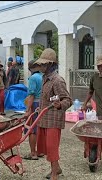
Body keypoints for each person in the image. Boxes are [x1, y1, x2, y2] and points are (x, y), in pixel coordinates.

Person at [34, 48, 72, 180]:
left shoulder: (57, 80)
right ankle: (56, 168)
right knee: (47, 147)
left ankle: (54, 175)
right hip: (44, 118)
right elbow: (46, 98)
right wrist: (39, 108)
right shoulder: (45, 78)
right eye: (40, 64)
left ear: (50, 64)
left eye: (43, 64)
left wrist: (61, 104)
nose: (41, 66)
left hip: (54, 120)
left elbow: (67, 100)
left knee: (52, 147)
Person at [23, 59, 43, 160]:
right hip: (43, 104)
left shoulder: (33, 78)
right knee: (40, 128)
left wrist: (27, 110)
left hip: (35, 103)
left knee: (32, 129)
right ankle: (40, 151)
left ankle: (33, 153)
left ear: (30, 68)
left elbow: (31, 95)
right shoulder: (43, 76)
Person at [82, 55, 102, 120]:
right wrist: (84, 104)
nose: (100, 68)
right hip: (100, 112)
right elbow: (90, 92)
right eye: (99, 66)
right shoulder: (94, 78)